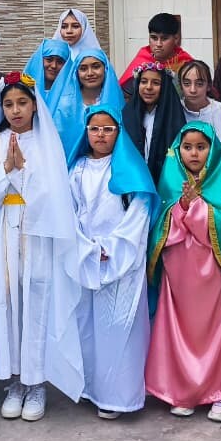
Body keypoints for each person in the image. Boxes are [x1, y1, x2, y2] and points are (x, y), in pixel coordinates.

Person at [0, 72, 84, 421]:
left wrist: (24, 173)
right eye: (8, 104)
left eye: (22, 103)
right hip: (2, 227)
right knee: (4, 298)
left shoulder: (48, 144)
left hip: (38, 230)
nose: (15, 110)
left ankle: (37, 384)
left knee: (36, 299)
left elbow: (56, 195)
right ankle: (14, 380)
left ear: (34, 105)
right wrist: (7, 168)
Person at [145, 122, 221, 422]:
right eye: (187, 147)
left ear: (212, 150)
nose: (194, 153)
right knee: (180, 329)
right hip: (181, 273)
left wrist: (197, 208)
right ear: (177, 151)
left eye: (201, 147)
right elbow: (162, 229)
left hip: (217, 275)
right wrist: (182, 204)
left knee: (219, 330)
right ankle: (182, 390)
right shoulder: (170, 182)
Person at [67, 106, 158, 419]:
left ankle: (119, 396)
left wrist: (112, 247)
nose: (100, 135)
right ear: (86, 132)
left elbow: (140, 211)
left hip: (121, 260)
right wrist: (85, 246)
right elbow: (68, 211)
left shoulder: (129, 167)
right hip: (85, 257)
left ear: (118, 132)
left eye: (108, 129)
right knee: (88, 326)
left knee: (120, 327)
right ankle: (91, 387)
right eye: (94, 129)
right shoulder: (76, 168)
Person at [175, 60, 221, 186]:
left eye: (199, 84)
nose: (192, 90)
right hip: (181, 182)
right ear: (180, 86)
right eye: (187, 84)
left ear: (208, 86)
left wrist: (206, 175)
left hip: (217, 181)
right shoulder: (173, 111)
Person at [52, 47, 125, 159]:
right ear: (76, 72)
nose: (90, 73)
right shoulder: (65, 104)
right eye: (83, 68)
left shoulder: (116, 101)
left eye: (96, 67)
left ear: (105, 69)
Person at [122, 62, 187, 181]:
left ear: (165, 87)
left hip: (166, 183)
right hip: (135, 182)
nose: (148, 87)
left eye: (156, 83)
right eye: (143, 81)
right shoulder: (128, 115)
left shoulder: (172, 117)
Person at [119, 12, 194, 89]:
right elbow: (125, 93)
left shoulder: (186, 62)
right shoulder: (142, 61)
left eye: (164, 38)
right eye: (154, 38)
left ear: (176, 38)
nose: (158, 44)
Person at [21, 37, 71, 103]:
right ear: (39, 60)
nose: (54, 66)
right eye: (49, 60)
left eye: (60, 62)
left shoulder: (72, 92)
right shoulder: (22, 89)